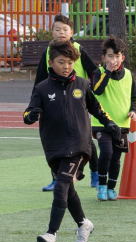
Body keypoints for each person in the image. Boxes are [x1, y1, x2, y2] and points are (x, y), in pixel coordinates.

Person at [24, 40, 121, 242]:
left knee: (60, 185)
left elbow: (97, 109)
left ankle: (51, 233)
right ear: (51, 63)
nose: (66, 66)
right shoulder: (42, 88)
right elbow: (27, 113)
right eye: (61, 62)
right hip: (54, 147)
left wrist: (109, 123)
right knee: (67, 190)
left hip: (79, 145)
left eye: (69, 62)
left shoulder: (83, 85)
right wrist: (31, 116)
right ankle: (83, 223)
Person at [34, 14, 100, 192]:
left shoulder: (79, 49)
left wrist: (92, 89)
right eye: (57, 29)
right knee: (56, 141)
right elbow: (40, 78)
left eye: (65, 29)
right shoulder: (48, 52)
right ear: (52, 32)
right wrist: (35, 102)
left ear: (71, 32)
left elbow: (94, 71)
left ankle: (96, 171)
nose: (61, 33)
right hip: (54, 101)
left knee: (86, 140)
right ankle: (56, 178)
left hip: (77, 101)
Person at [91, 35, 136, 201]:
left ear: (122, 57)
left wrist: (134, 111)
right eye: (110, 56)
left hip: (122, 124)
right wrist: (108, 71)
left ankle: (111, 188)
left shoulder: (129, 75)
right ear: (104, 58)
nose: (114, 60)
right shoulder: (98, 73)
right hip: (102, 123)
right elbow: (97, 90)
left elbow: (134, 97)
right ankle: (102, 186)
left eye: (117, 56)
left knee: (117, 158)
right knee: (106, 152)